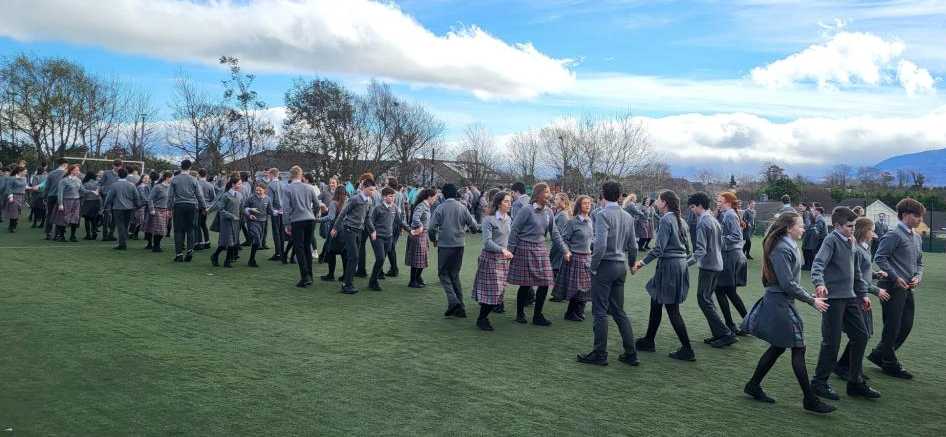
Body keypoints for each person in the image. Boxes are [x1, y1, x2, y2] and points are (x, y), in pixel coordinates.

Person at [741, 212, 835, 414]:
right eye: (800, 225)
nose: (804, 228)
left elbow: (789, 283)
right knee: (798, 348)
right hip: (779, 303)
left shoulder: (788, 244)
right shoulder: (782, 248)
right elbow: (787, 284)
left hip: (782, 301)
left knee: (778, 347)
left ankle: (753, 385)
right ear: (788, 228)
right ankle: (809, 399)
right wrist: (811, 300)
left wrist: (809, 295)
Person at [809, 207, 879, 400]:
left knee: (861, 335)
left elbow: (857, 272)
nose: (853, 229)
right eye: (849, 226)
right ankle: (819, 383)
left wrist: (863, 294)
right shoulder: (830, 240)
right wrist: (819, 283)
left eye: (854, 225)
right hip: (833, 299)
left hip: (850, 297)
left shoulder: (852, 241)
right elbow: (818, 264)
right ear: (837, 226)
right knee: (832, 342)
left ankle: (855, 382)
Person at [576, 181, 640, 367]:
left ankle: (600, 353)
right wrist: (631, 264)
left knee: (600, 311)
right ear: (620, 196)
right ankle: (631, 353)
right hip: (620, 266)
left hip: (605, 266)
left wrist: (593, 266)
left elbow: (601, 245)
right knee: (619, 311)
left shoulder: (602, 214)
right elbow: (633, 246)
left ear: (603, 195)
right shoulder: (627, 216)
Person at [633, 190, 694, 361]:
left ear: (665, 202)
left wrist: (641, 263)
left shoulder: (667, 219)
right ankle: (649, 340)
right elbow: (688, 250)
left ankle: (687, 349)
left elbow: (659, 249)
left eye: (659, 199)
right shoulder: (681, 220)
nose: (656, 202)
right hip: (679, 265)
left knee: (673, 310)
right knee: (656, 301)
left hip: (669, 267)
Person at [867, 198, 924, 380]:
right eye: (917, 216)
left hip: (908, 288)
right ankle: (889, 363)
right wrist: (895, 277)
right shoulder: (893, 234)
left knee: (906, 325)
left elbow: (920, 263)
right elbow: (880, 258)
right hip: (891, 286)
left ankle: (879, 355)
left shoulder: (917, 237)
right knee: (893, 326)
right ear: (905, 215)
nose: (920, 219)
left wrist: (918, 277)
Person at [836, 217, 890, 381]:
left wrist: (875, 274)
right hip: (856, 296)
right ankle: (846, 367)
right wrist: (876, 290)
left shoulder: (864, 248)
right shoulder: (857, 250)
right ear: (864, 231)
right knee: (861, 334)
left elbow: (863, 272)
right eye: (871, 230)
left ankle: (850, 367)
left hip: (861, 296)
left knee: (863, 334)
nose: (874, 234)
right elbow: (855, 277)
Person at [508, 183, 570, 326]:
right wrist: (510, 251)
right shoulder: (526, 210)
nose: (550, 195)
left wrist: (565, 250)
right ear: (538, 194)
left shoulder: (549, 212)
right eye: (546, 192)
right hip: (524, 248)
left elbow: (555, 234)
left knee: (545, 282)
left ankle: (538, 316)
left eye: (549, 192)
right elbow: (514, 230)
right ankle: (520, 314)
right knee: (525, 284)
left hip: (540, 249)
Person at [686, 192, 735, 348]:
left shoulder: (703, 222)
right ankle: (719, 333)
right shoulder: (713, 219)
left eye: (692, 207)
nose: (692, 210)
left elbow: (700, 250)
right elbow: (721, 243)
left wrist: (685, 264)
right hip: (717, 264)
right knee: (707, 300)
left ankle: (725, 334)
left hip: (708, 266)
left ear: (700, 205)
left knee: (703, 300)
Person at [429, 183, 480, 317]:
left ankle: (453, 301)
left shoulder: (440, 208)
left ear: (444, 194)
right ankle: (460, 307)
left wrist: (434, 239)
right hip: (459, 244)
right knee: (455, 275)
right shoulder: (462, 207)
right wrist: (472, 230)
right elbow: (474, 226)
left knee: (443, 273)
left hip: (445, 245)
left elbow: (431, 228)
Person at [472, 191, 513, 331]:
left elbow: (508, 239)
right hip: (490, 259)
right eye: (506, 201)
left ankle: (483, 317)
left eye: (510, 201)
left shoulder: (509, 219)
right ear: (498, 203)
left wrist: (508, 251)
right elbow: (487, 242)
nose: (509, 204)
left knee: (498, 292)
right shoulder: (488, 220)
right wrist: (502, 250)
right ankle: (482, 319)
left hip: (503, 260)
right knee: (492, 291)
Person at [331, 177, 375, 294]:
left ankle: (347, 281)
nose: (373, 192)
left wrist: (372, 230)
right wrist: (335, 228)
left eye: (374, 190)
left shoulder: (369, 201)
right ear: (364, 187)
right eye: (371, 190)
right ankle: (347, 285)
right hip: (349, 229)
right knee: (354, 256)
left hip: (359, 231)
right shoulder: (355, 199)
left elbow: (367, 218)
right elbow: (343, 213)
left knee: (353, 256)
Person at [715, 192, 749, 336]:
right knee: (729, 292)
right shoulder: (729, 214)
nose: (717, 203)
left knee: (721, 290)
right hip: (733, 256)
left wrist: (717, 239)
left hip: (731, 257)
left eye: (720, 201)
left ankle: (733, 325)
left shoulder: (729, 214)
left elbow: (736, 236)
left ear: (728, 202)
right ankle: (746, 324)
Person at [283, 166, 322, 288]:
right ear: (301, 175)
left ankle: (305, 276)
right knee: (307, 247)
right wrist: (314, 215)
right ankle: (310, 275)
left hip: (297, 220)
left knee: (299, 248)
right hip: (310, 219)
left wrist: (286, 224)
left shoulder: (287, 188)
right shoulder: (309, 187)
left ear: (291, 175)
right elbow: (317, 204)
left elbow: (286, 209)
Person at [558, 195, 594, 321]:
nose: (588, 205)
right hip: (575, 257)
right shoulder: (572, 222)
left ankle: (579, 311)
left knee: (586, 287)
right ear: (579, 206)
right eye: (585, 203)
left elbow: (590, 240)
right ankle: (570, 313)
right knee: (576, 288)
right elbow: (564, 239)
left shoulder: (590, 221)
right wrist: (567, 252)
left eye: (589, 203)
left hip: (587, 257)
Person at [368, 187, 407, 291]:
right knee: (380, 258)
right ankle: (373, 281)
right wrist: (373, 231)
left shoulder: (394, 208)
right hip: (378, 237)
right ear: (384, 197)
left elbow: (400, 221)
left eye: (393, 196)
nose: (393, 198)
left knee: (382, 259)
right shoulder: (378, 208)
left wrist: (409, 230)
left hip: (389, 238)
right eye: (390, 196)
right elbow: (370, 221)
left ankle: (373, 280)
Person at [169, 160, 207, 262]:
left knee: (178, 230)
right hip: (191, 206)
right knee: (190, 229)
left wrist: (169, 207)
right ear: (190, 167)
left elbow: (170, 195)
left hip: (179, 205)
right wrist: (204, 207)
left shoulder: (175, 179)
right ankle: (190, 250)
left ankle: (179, 254)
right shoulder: (194, 179)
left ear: (181, 167)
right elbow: (199, 195)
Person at [103, 167, 142, 250]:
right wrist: (138, 205)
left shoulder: (114, 185)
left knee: (120, 226)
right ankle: (123, 242)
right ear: (126, 175)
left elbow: (109, 197)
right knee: (125, 226)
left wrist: (105, 205)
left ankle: (122, 244)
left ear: (118, 174)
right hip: (129, 208)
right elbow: (136, 196)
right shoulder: (131, 185)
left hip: (118, 208)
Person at [210, 175, 243, 268]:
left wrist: (249, 212)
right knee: (227, 242)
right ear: (233, 184)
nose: (241, 185)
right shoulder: (225, 195)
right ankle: (217, 257)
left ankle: (225, 260)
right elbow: (220, 209)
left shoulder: (240, 195)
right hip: (226, 222)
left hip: (236, 222)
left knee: (232, 242)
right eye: (239, 184)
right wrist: (231, 216)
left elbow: (241, 208)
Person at [406, 189, 435, 288]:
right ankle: (412, 281)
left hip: (423, 235)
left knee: (422, 259)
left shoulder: (426, 206)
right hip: (418, 235)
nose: (435, 200)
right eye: (434, 197)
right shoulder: (421, 206)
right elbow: (415, 218)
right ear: (429, 197)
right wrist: (421, 226)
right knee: (417, 259)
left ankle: (417, 278)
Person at [320, 186, 348, 281]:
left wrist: (318, 219)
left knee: (331, 252)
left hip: (334, 230)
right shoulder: (346, 202)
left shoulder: (333, 203)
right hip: (344, 230)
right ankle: (345, 275)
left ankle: (331, 275)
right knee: (344, 253)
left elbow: (331, 217)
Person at [549, 192, 572, 302]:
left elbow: (560, 234)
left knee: (556, 269)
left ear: (563, 201)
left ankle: (560, 294)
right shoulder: (560, 213)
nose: (555, 200)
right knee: (556, 270)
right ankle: (559, 294)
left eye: (557, 199)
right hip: (558, 245)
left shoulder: (562, 215)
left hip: (559, 246)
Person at [243, 183, 273, 268]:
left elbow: (270, 211)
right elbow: (244, 208)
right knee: (256, 240)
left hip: (263, 223)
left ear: (265, 190)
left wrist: (278, 212)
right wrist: (249, 215)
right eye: (257, 190)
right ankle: (252, 260)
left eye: (260, 190)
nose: (258, 192)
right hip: (253, 222)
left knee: (257, 243)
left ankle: (251, 259)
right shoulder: (251, 198)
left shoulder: (268, 199)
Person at [55, 164, 86, 242]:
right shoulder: (64, 180)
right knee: (64, 218)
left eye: (78, 170)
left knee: (75, 218)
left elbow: (83, 190)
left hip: (76, 201)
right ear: (71, 171)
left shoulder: (78, 180)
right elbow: (60, 193)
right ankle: (61, 236)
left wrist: (93, 191)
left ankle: (73, 236)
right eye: (77, 170)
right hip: (66, 201)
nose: (78, 172)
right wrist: (60, 204)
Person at [147, 172, 173, 253]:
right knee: (159, 229)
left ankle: (157, 245)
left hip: (166, 210)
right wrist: (152, 209)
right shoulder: (157, 187)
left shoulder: (171, 187)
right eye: (171, 177)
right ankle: (156, 246)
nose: (172, 179)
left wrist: (170, 210)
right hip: (157, 209)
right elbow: (150, 199)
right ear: (167, 177)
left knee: (163, 230)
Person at [43, 158, 68, 240]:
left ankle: (48, 233)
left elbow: (47, 187)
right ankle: (57, 234)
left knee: (49, 214)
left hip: (51, 196)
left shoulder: (51, 173)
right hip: (61, 197)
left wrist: (45, 197)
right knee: (59, 216)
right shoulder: (66, 173)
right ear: (64, 164)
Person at [2, 166, 31, 232]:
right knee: (14, 212)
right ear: (20, 172)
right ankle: (13, 226)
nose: (26, 173)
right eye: (25, 172)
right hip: (14, 196)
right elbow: (9, 188)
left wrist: (32, 188)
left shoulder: (24, 178)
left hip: (22, 197)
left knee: (18, 212)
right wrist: (10, 196)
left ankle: (13, 225)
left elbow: (25, 186)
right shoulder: (12, 178)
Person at [100, 159, 123, 241]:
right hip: (107, 196)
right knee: (106, 215)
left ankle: (111, 234)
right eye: (116, 166)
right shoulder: (106, 173)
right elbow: (100, 183)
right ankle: (105, 235)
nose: (117, 167)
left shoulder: (122, 174)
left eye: (119, 166)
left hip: (117, 198)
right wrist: (101, 191)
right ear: (113, 165)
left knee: (115, 216)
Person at [196, 169, 217, 251]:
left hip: (198, 206)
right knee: (203, 224)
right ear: (206, 175)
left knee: (197, 225)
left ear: (198, 175)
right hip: (206, 208)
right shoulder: (210, 185)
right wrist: (208, 207)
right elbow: (213, 198)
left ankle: (200, 243)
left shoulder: (196, 183)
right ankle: (207, 242)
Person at [802, 206, 827, 270]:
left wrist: (811, 230)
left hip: (819, 239)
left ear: (818, 211)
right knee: (809, 250)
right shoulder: (818, 218)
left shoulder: (819, 218)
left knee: (810, 250)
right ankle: (809, 265)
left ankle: (810, 265)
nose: (813, 212)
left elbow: (817, 230)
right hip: (817, 237)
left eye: (814, 210)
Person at [79, 171, 102, 241]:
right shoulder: (97, 183)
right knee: (94, 218)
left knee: (87, 219)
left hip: (87, 201)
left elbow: (82, 193)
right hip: (96, 201)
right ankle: (94, 232)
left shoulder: (85, 183)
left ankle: (88, 234)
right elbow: (100, 192)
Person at [135, 174, 153, 249]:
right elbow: (142, 196)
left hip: (146, 205)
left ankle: (145, 235)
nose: (146, 179)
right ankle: (135, 234)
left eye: (148, 178)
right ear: (142, 179)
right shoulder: (140, 187)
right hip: (141, 205)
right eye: (145, 178)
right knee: (141, 221)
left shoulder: (148, 186)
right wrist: (148, 201)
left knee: (145, 221)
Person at [29, 164, 48, 229]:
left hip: (36, 196)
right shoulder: (46, 177)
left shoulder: (35, 177)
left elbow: (34, 186)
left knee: (35, 209)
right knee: (43, 210)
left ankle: (34, 223)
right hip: (43, 195)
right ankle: (42, 223)